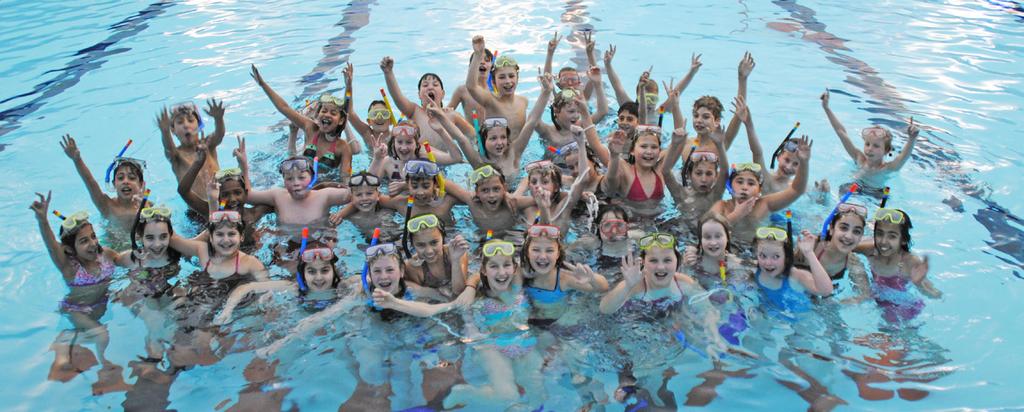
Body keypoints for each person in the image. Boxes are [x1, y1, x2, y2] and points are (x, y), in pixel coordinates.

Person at [31, 192, 126, 378]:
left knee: (95, 330)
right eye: (84, 241)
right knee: (101, 335)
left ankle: (67, 338)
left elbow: (123, 259)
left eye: (92, 236)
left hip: (100, 305)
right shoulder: (71, 269)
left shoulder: (105, 255)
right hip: (77, 309)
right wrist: (42, 220)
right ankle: (104, 363)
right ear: (69, 250)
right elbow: (52, 246)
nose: (92, 243)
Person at [250, 65, 353, 182]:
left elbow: (345, 179)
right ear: (318, 115)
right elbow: (284, 108)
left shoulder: (343, 147)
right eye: (324, 111)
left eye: (333, 113)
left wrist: (348, 88)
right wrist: (263, 85)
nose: (327, 115)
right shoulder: (311, 128)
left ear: (341, 120)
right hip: (299, 184)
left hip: (324, 190)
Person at [856, 208, 940, 323]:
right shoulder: (869, 250)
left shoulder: (910, 262)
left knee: (895, 333)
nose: (884, 241)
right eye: (880, 234)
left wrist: (919, 284)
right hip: (877, 299)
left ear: (903, 240)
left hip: (902, 306)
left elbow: (936, 295)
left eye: (892, 236)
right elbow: (843, 246)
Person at [821, 89, 921, 180]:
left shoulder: (888, 168)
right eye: (867, 144)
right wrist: (826, 108)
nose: (869, 149)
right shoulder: (859, 158)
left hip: (876, 195)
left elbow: (903, 156)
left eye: (876, 146)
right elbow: (841, 132)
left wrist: (912, 138)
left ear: (886, 150)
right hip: (855, 189)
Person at [60, 135, 147, 233]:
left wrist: (142, 206)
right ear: (114, 184)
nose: (125, 181)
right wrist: (77, 160)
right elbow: (90, 182)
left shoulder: (146, 207)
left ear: (141, 184)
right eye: (120, 178)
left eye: (131, 178)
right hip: (113, 248)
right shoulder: (106, 205)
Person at [752, 226, 834, 320]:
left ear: (786, 257)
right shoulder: (754, 270)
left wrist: (809, 253)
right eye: (763, 256)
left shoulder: (796, 276)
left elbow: (825, 291)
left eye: (776, 256)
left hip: (801, 324)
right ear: (756, 254)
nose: (768, 263)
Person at [157, 100, 227, 199]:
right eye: (180, 122)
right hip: (196, 209)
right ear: (173, 130)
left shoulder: (208, 145)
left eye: (190, 120)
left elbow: (219, 135)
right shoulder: (176, 156)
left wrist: (218, 119)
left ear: (199, 125)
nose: (186, 125)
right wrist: (165, 132)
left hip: (221, 200)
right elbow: (168, 148)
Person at [465, 36, 530, 139]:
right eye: (502, 77)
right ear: (494, 82)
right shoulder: (491, 101)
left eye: (511, 76)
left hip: (517, 154)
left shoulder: (523, 102)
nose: (508, 81)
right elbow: (471, 87)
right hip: (494, 154)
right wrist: (477, 55)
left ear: (518, 78)